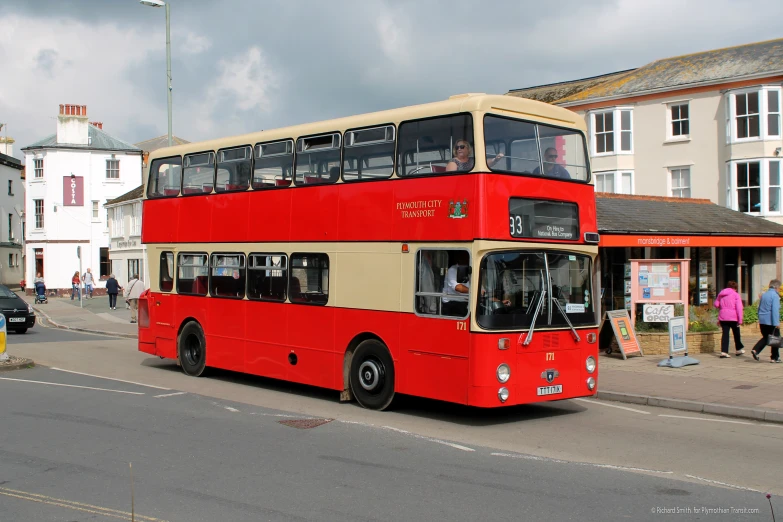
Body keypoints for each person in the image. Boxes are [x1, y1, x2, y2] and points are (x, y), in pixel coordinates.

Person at [751, 279, 782, 363]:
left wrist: (759, 318)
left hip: (763, 320)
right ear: (776, 287)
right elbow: (775, 310)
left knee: (766, 338)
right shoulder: (775, 296)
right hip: (770, 321)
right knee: (775, 338)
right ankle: (774, 357)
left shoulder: (764, 295)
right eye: (779, 288)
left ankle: (756, 350)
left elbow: (759, 308)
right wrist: (776, 323)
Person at [714, 281, 744, 358]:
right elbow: (739, 308)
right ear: (735, 288)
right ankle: (738, 349)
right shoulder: (736, 295)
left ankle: (724, 352)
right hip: (733, 317)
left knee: (725, 334)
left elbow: (716, 304)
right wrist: (740, 319)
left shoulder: (721, 294)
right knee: (736, 333)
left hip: (723, 317)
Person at [442, 251, 470, 316]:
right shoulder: (452, 270)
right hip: (452, 303)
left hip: (465, 301)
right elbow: (457, 287)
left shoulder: (469, 270)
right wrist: (475, 292)